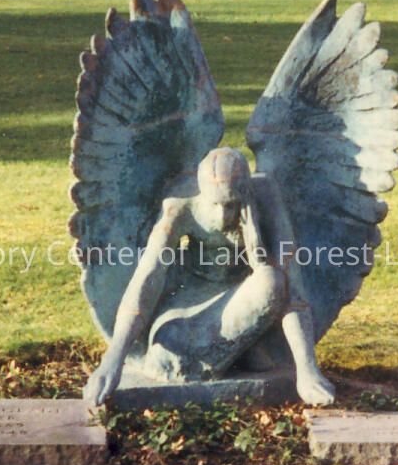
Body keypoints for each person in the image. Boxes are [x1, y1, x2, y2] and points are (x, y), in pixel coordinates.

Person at [83, 147, 336, 408]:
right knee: (167, 356)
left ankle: (242, 348)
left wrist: (307, 370)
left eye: (231, 205)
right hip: (189, 305)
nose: (223, 217)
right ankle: (241, 352)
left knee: (271, 281)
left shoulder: (265, 195)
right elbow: (148, 276)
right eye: (215, 204)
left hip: (243, 296)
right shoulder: (180, 204)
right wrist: (112, 361)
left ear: (246, 192)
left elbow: (293, 286)